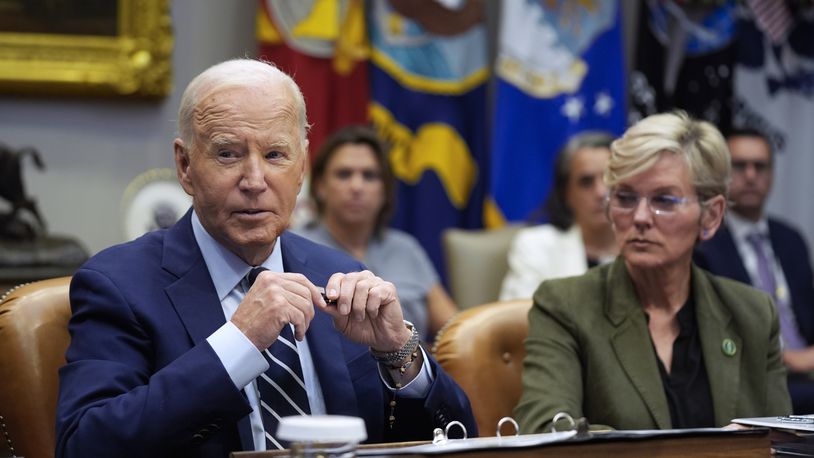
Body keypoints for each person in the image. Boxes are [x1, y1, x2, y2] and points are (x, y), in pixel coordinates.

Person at [55, 59, 476, 458]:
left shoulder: (342, 274)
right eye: (228, 154)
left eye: (275, 155)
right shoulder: (119, 284)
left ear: (302, 167)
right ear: (185, 166)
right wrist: (237, 343)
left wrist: (399, 355)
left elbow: (460, 440)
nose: (255, 181)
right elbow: (85, 444)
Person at [514, 111, 791, 433]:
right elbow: (545, 430)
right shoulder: (565, 305)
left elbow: (780, 441)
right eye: (626, 198)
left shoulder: (753, 314)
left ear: (711, 217)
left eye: (664, 200)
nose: (641, 216)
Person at [295, 125, 457, 341]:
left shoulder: (405, 248)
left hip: (407, 369)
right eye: (344, 174)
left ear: (385, 190)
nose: (356, 186)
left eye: (369, 176)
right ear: (320, 187)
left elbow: (455, 330)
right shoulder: (294, 247)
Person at [694, 128, 814, 414]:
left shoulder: (790, 238)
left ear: (772, 174)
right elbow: (716, 335)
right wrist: (793, 359)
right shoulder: (703, 244)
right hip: (752, 376)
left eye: (760, 166)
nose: (750, 175)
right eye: (739, 165)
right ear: (720, 174)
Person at [499, 132, 618, 300]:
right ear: (566, 194)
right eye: (586, 182)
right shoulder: (535, 246)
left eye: (609, 178)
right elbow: (514, 319)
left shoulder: (646, 246)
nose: (601, 192)